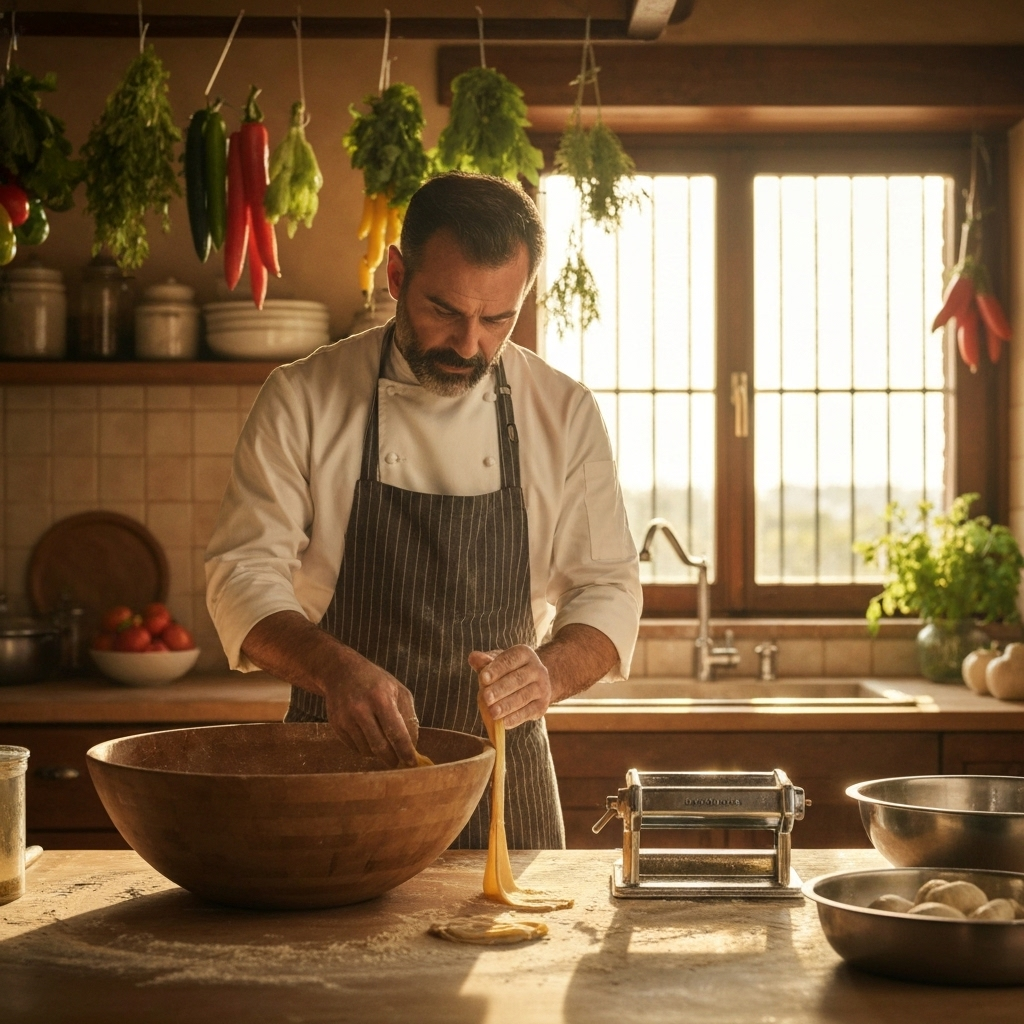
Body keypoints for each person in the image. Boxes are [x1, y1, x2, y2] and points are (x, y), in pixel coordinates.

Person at [206, 171, 641, 849]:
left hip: (503, 780)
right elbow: (240, 575)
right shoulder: (303, 398)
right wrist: (335, 672)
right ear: (397, 275)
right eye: (445, 309)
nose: (469, 345)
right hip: (338, 770)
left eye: (497, 319)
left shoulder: (563, 411)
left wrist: (547, 675)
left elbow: (609, 590)